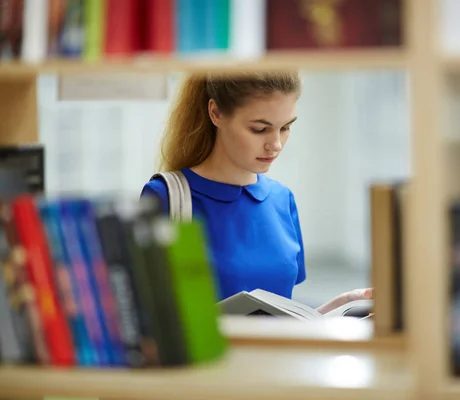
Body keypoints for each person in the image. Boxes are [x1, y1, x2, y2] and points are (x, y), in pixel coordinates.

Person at [140, 70, 371, 314]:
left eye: (285, 128)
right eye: (260, 129)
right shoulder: (165, 198)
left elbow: (280, 320)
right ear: (215, 113)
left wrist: (341, 305)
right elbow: (142, 316)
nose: (276, 144)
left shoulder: (283, 200)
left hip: (276, 353)